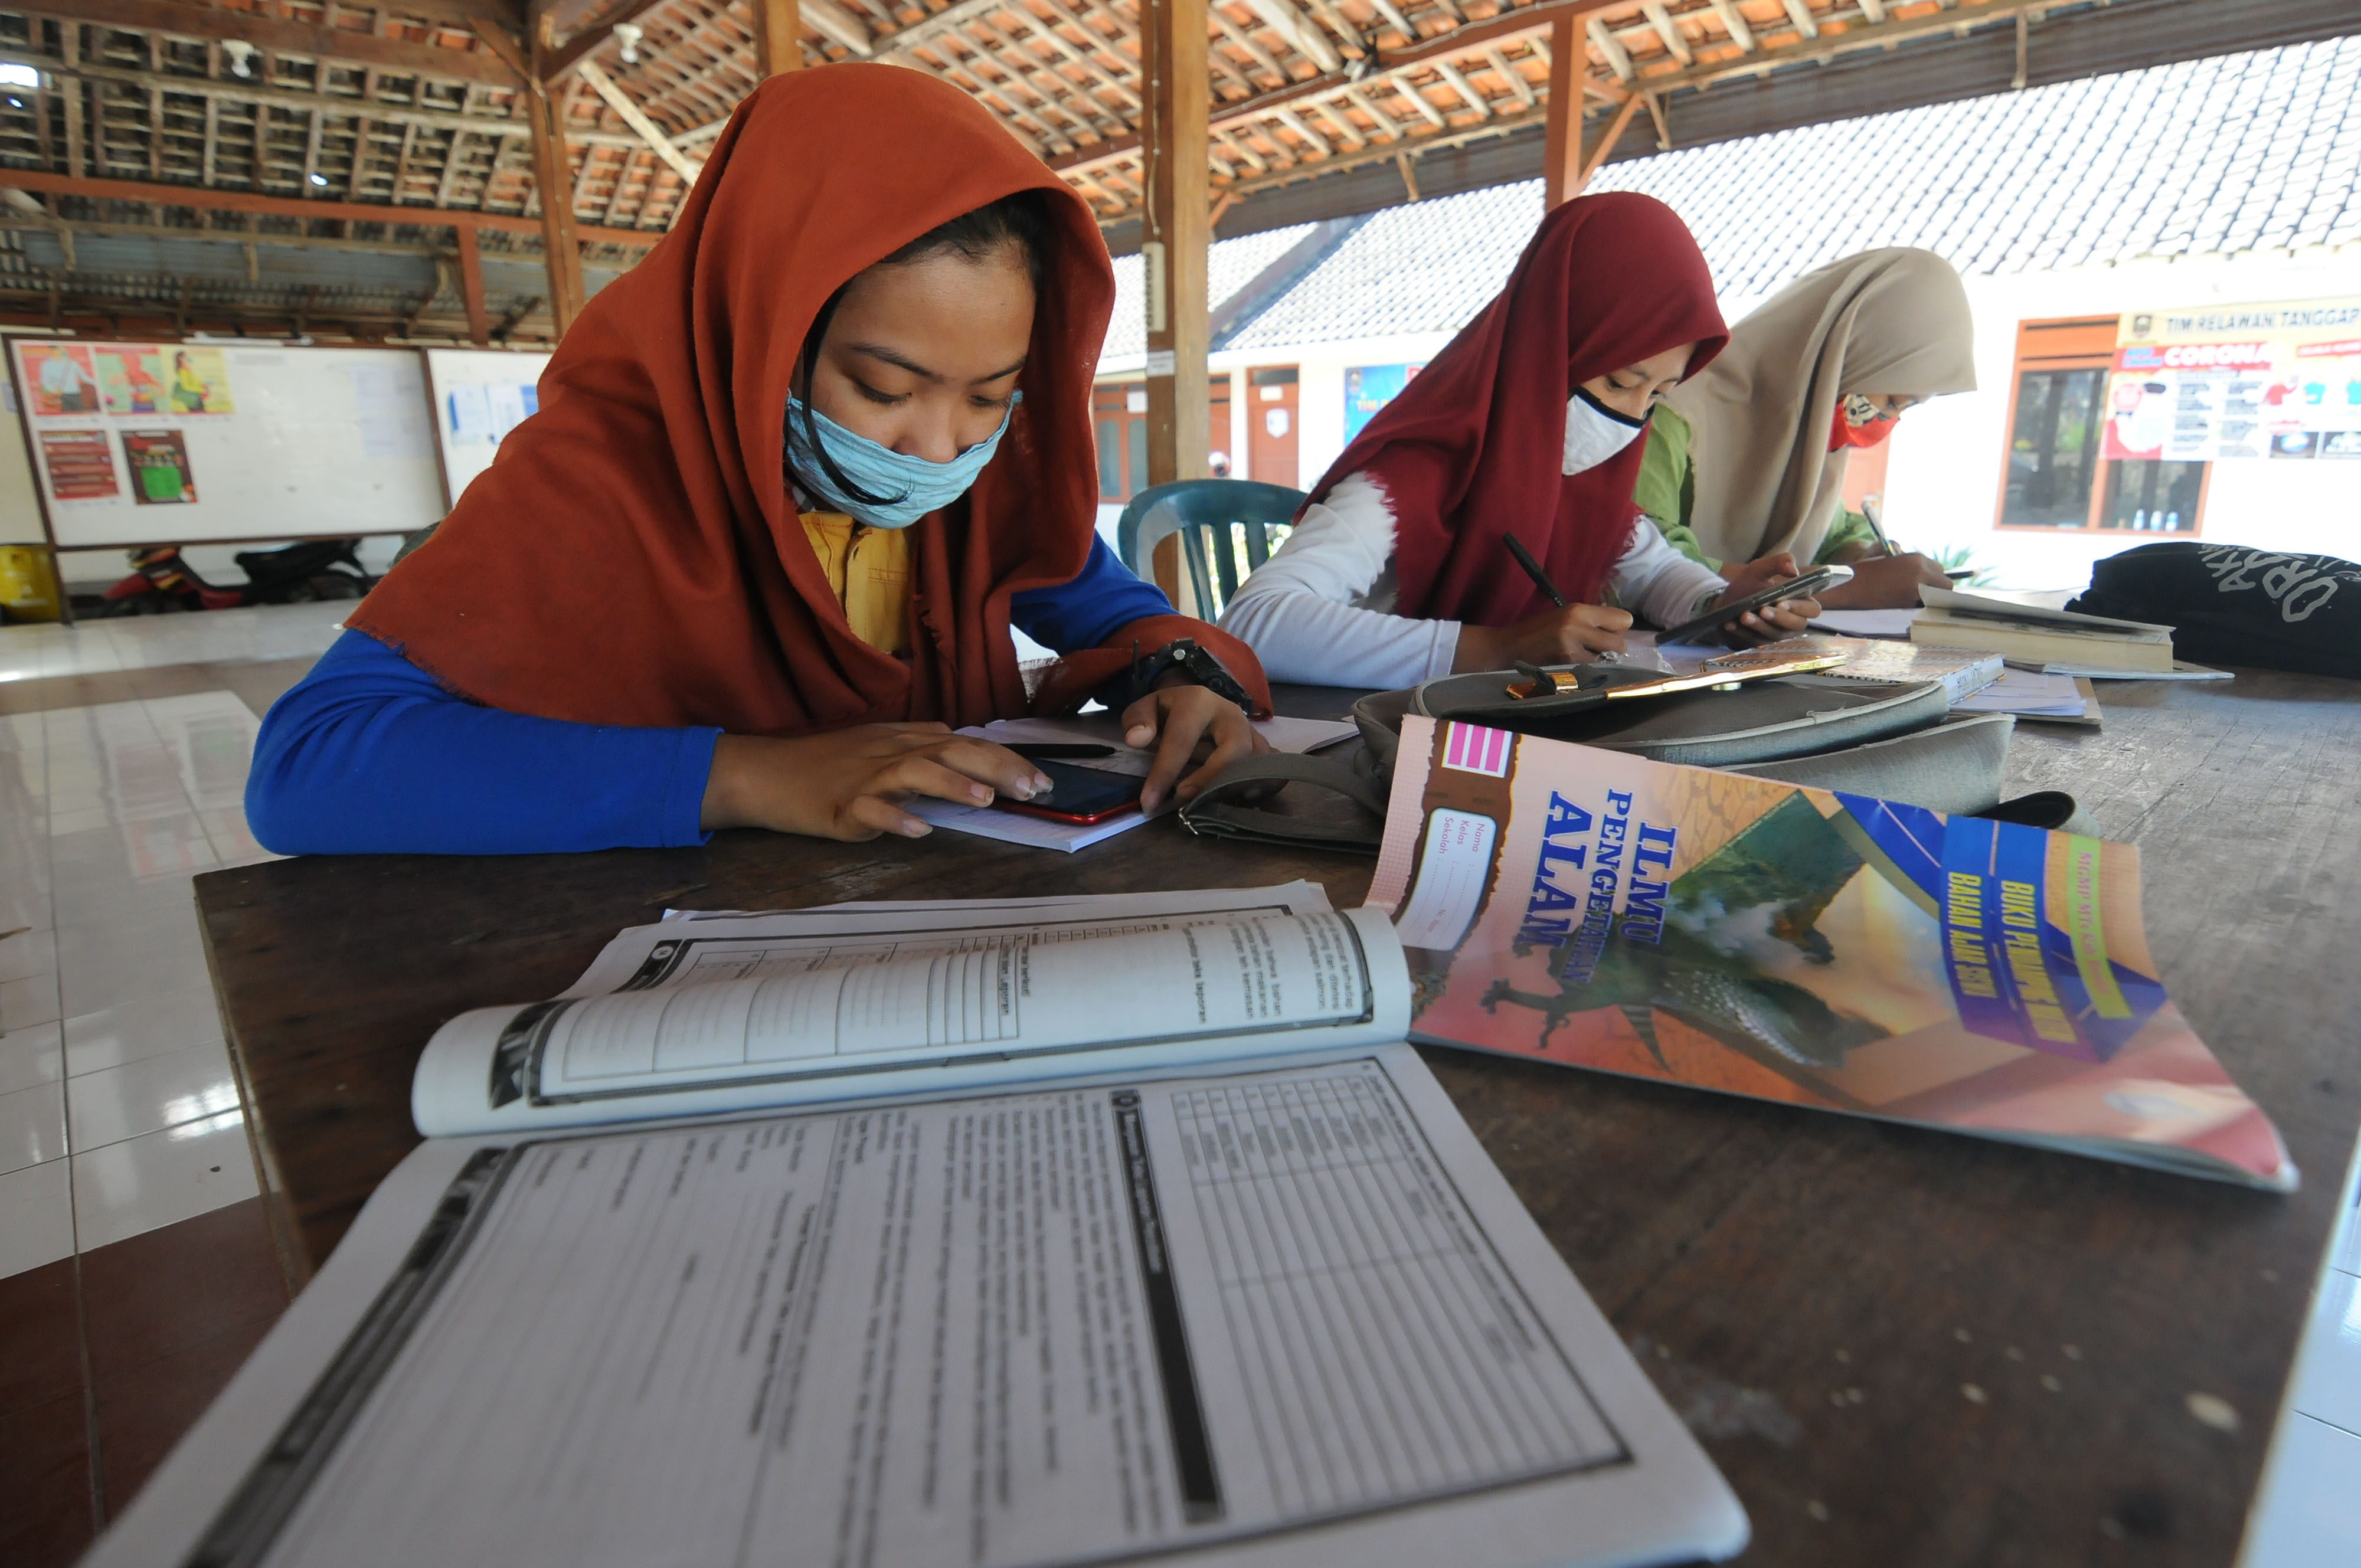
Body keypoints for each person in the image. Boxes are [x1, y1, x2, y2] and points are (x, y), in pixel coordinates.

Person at [247, 64, 1270, 856]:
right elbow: (308, 766)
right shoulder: (601, 476)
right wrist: (744, 777)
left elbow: (1108, 609)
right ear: (760, 337)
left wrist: (1181, 675)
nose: (940, 447)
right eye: (883, 388)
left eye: (990, 395)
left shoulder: (976, 487)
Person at [1216, 192, 1822, 690]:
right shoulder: (1411, 478)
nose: (1632, 419)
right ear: (1544, 352)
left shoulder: (1582, 483)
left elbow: (1654, 569)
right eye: (1618, 382)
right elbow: (1254, 622)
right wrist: (1489, 649)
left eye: (1657, 395)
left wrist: (1720, 608)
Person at [1640, 247, 1976, 609]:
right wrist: (1851, 588)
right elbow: (1637, 565)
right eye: (1892, 402)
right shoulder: (1665, 411)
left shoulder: (1801, 439)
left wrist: (1864, 556)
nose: (1886, 421)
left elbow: (1827, 531)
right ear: (1847, 354)